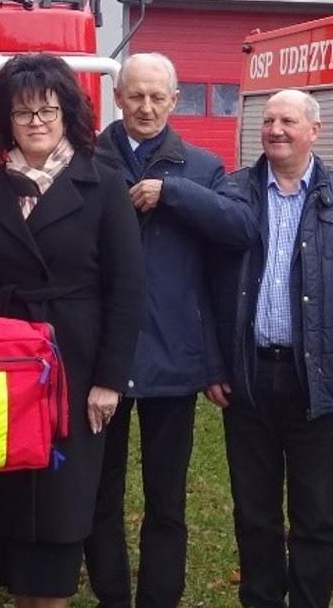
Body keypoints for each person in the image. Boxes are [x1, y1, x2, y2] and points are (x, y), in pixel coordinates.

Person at [0, 54, 144, 608]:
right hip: (9, 368)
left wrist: (109, 380)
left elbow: (127, 290)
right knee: (12, 496)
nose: (36, 122)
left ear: (67, 114)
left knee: (62, 502)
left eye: (47, 110)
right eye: (23, 113)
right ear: (6, 121)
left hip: (76, 366)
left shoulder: (104, 186)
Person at [208, 89, 333, 608]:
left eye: (287, 120)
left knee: (317, 516)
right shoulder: (232, 192)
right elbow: (205, 286)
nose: (275, 130)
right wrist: (215, 366)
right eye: (268, 120)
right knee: (254, 511)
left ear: (315, 131)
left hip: (321, 383)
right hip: (249, 378)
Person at [86, 52, 250, 608]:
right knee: (101, 492)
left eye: (158, 97)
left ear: (175, 100)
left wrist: (172, 193)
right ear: (117, 98)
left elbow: (240, 228)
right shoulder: (87, 161)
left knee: (167, 498)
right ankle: (111, 596)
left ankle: (159, 598)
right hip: (103, 357)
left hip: (172, 356)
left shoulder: (202, 167)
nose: (146, 107)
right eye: (136, 95)